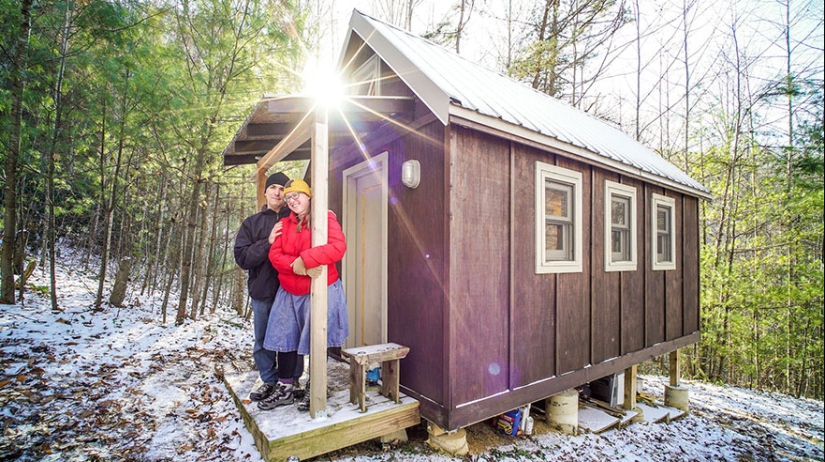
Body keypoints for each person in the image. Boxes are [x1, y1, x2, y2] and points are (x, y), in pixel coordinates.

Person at [258, 178, 349, 410]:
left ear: (309, 196)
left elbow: (338, 248)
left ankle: (315, 387)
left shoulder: (325, 218)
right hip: (289, 290)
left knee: (317, 339)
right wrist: (295, 266)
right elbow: (275, 254)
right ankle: (286, 388)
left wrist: (305, 260)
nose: (292, 200)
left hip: (319, 288)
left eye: (296, 195)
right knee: (285, 339)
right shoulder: (285, 224)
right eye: (288, 197)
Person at [233, 172, 302, 403]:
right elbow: (242, 258)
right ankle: (269, 380)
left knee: (291, 338)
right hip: (263, 291)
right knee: (263, 339)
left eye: (282, 188)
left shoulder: (297, 219)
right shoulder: (252, 223)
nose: (277, 192)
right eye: (273, 187)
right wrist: (267, 242)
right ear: (265, 192)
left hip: (291, 290)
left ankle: (292, 380)